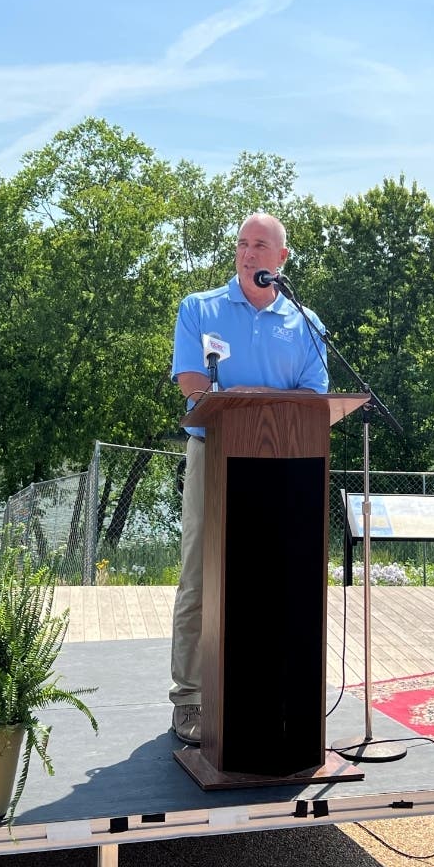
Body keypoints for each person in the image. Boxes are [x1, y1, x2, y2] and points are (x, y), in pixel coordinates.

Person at [167, 212, 329, 745]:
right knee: (201, 576)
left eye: (260, 245)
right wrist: (242, 403)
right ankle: (189, 699)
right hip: (213, 457)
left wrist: (259, 402)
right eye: (242, 244)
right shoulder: (200, 308)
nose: (248, 253)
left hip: (286, 467)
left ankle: (268, 690)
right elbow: (192, 381)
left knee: (275, 580)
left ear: (282, 259)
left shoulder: (305, 322)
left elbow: (315, 397)